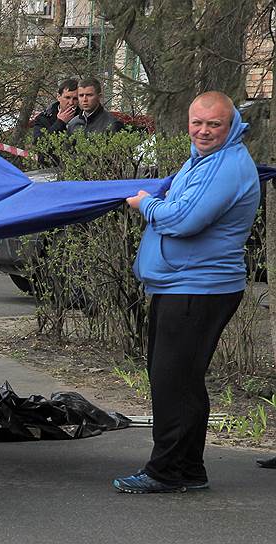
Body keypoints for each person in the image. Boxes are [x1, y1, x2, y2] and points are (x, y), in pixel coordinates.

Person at [113, 92, 260, 493]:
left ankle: (165, 471)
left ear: (231, 126)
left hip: (200, 286)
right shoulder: (202, 161)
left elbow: (183, 219)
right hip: (182, 283)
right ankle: (189, 469)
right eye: (197, 122)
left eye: (214, 124)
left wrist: (146, 205)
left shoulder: (227, 165)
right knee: (182, 379)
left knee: (172, 380)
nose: (203, 131)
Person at [31, 78, 80, 143]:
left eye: (75, 99)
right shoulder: (44, 117)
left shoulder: (84, 117)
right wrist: (60, 123)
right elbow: (38, 142)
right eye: (67, 97)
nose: (71, 103)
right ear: (58, 97)